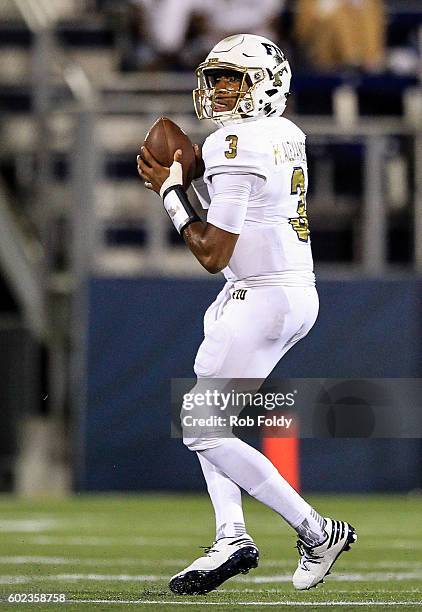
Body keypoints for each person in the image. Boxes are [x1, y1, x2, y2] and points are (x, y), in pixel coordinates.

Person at [137, 33, 357, 595]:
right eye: (216, 79)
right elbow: (242, 223)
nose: (221, 91)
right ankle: (231, 534)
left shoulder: (236, 141)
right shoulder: (284, 132)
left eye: (235, 79)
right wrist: (189, 188)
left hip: (261, 292)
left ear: (267, 84)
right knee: (206, 417)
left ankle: (314, 529)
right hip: (279, 289)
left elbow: (213, 252)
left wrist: (172, 193)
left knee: (199, 427)